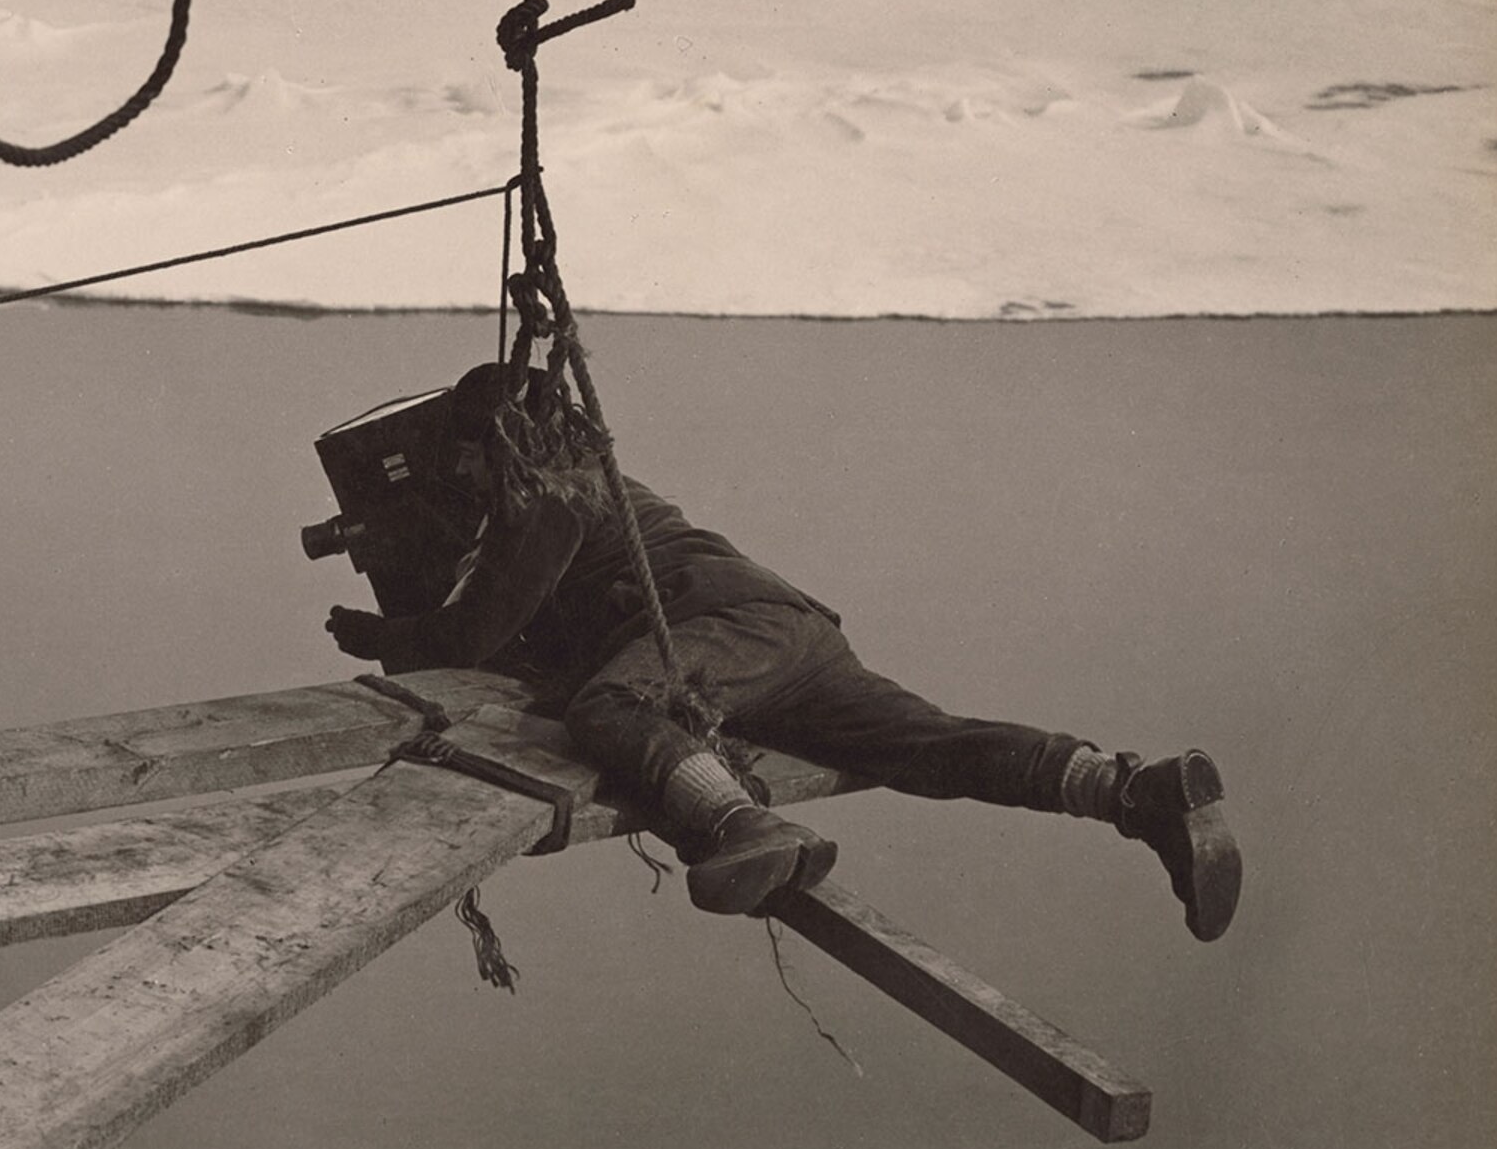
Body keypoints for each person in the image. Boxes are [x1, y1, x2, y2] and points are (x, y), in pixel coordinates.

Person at [324, 348, 1242, 940]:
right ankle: (1134, 791)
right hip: (792, 634)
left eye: (473, 459)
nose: (470, 478)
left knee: (612, 706)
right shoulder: (594, 484)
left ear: (506, 446)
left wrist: (379, 632)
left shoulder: (556, 494)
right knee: (929, 746)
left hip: (723, 632)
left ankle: (736, 823)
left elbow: (475, 631)